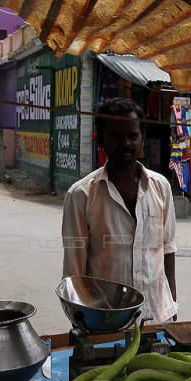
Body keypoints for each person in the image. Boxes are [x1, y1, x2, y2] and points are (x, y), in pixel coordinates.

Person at [62, 97, 177, 322]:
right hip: (106, 322)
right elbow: (74, 274)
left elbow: (168, 250)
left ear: (142, 138)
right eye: (116, 135)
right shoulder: (81, 195)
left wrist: (171, 309)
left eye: (133, 135)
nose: (126, 142)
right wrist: (84, 325)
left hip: (156, 316)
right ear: (101, 141)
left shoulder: (161, 187)